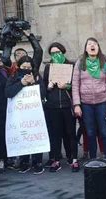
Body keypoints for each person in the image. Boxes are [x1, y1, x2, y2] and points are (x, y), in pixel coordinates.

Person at [72, 37, 106, 161]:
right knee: (90, 133)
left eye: (95, 44)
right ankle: (93, 160)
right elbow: (75, 85)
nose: (92, 46)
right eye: (89, 44)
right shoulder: (80, 62)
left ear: (98, 47)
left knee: (104, 132)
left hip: (102, 103)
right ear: (86, 48)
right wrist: (76, 104)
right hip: (86, 104)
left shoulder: (105, 61)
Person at [5, 56, 46, 174]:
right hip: (20, 114)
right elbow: (8, 92)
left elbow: (43, 93)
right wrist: (21, 83)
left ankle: (37, 161)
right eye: (24, 67)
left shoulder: (37, 76)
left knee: (35, 135)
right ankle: (24, 161)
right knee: (23, 135)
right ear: (19, 67)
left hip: (35, 114)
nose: (27, 69)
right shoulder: (13, 77)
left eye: (29, 67)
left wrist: (35, 83)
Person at [43, 42, 79, 173]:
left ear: (62, 52)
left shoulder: (71, 65)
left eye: (58, 52)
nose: (55, 55)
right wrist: (49, 86)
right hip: (53, 105)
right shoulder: (48, 67)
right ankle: (56, 160)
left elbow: (76, 84)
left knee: (70, 133)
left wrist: (67, 86)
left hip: (66, 104)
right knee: (55, 134)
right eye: (53, 53)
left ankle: (74, 159)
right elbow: (44, 86)